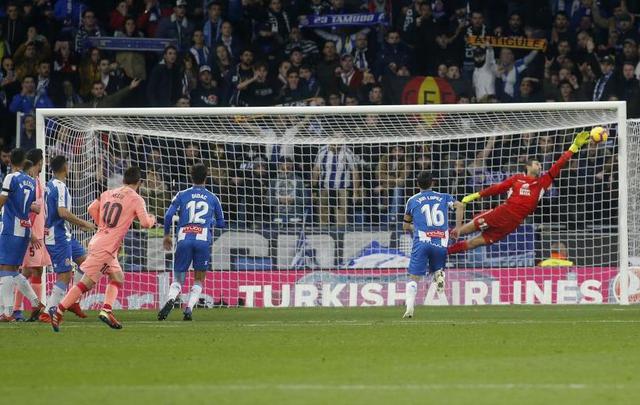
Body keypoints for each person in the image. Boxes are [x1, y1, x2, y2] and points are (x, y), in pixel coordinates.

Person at [447, 131, 592, 255]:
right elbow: (498, 188)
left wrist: (574, 146)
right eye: (537, 164)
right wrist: (476, 195)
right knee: (464, 230)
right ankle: (436, 240)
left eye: (540, 164)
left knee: (475, 243)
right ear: (528, 166)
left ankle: (445, 253)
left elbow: (559, 164)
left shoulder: (543, 182)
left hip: (513, 222)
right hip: (503, 212)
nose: (539, 166)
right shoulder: (517, 178)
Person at [50, 167, 156, 332]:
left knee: (118, 277)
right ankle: (58, 310)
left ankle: (106, 310)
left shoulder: (108, 193)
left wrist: (103, 226)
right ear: (139, 182)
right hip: (106, 248)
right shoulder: (136, 199)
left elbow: (91, 208)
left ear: (123, 181)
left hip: (101, 242)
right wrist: (152, 219)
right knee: (87, 283)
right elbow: (145, 224)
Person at [158, 163, 225, 321]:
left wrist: (166, 235)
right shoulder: (213, 198)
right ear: (206, 177)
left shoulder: (182, 194)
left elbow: (168, 216)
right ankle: (188, 309)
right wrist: (209, 222)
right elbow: (222, 223)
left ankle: (171, 298)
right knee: (199, 279)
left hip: (184, 238)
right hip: (202, 239)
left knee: (178, 279)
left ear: (190, 175)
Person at [403, 171, 464, 319]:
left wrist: (415, 227)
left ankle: (410, 306)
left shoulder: (412, 200)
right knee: (436, 266)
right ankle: (439, 274)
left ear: (417, 184)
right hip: (441, 241)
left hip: (422, 240)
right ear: (433, 182)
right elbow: (460, 206)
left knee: (414, 277)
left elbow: (405, 226)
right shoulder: (444, 197)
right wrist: (458, 228)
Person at [43, 155, 95, 321]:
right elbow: (62, 212)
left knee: (87, 263)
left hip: (64, 234)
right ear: (65, 167)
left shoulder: (49, 185)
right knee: (64, 275)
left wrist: (74, 225)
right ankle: (48, 313)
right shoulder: (59, 186)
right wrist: (84, 223)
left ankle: (73, 301)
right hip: (57, 236)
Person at [0, 148, 45, 322]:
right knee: (12, 270)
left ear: (10, 161)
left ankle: (8, 312)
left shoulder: (11, 177)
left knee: (5, 268)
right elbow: (28, 205)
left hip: (11, 228)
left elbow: (4, 199)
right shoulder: (31, 181)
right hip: (25, 228)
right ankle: (35, 302)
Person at [12, 149, 50, 321]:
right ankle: (17, 309)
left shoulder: (37, 181)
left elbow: (40, 209)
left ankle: (33, 309)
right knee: (27, 271)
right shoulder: (29, 183)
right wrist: (30, 233)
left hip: (39, 233)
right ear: (39, 162)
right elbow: (25, 209)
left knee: (37, 270)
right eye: (42, 161)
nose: (44, 164)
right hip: (31, 233)